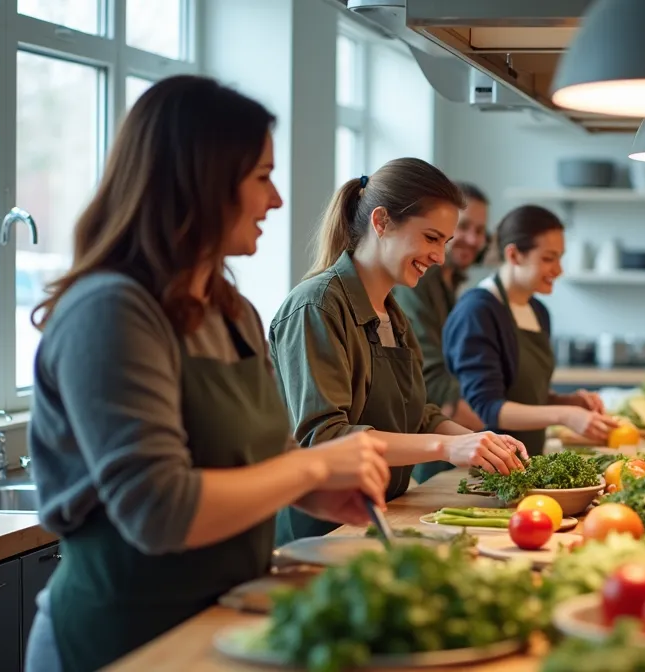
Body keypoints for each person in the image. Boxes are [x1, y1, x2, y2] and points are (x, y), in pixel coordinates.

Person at [22, 75, 391, 672]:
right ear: (200, 181)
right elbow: (160, 510)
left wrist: (319, 491)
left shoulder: (233, 312)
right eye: (262, 177)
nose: (276, 200)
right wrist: (316, 465)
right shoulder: (111, 312)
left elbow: (263, 462)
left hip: (223, 624)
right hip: (121, 640)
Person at [268, 159, 527, 544]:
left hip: (379, 519)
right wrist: (449, 446)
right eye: (431, 238)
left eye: (444, 243)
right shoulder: (317, 307)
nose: (440, 257)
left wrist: (481, 442)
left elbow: (417, 415)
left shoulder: (394, 314)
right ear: (382, 222)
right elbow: (325, 438)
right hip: (322, 535)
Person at [443, 204, 618, 457]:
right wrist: (565, 415)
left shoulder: (538, 311)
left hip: (522, 462)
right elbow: (487, 408)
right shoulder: (477, 311)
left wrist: (566, 402)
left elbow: (524, 395)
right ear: (514, 255)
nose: (558, 270)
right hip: (478, 466)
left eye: (560, 258)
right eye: (548, 258)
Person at [394, 181, 491, 485]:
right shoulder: (417, 283)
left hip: (444, 441)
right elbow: (432, 380)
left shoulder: (450, 286)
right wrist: (494, 419)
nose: (473, 239)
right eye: (464, 227)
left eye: (480, 231)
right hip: (430, 449)